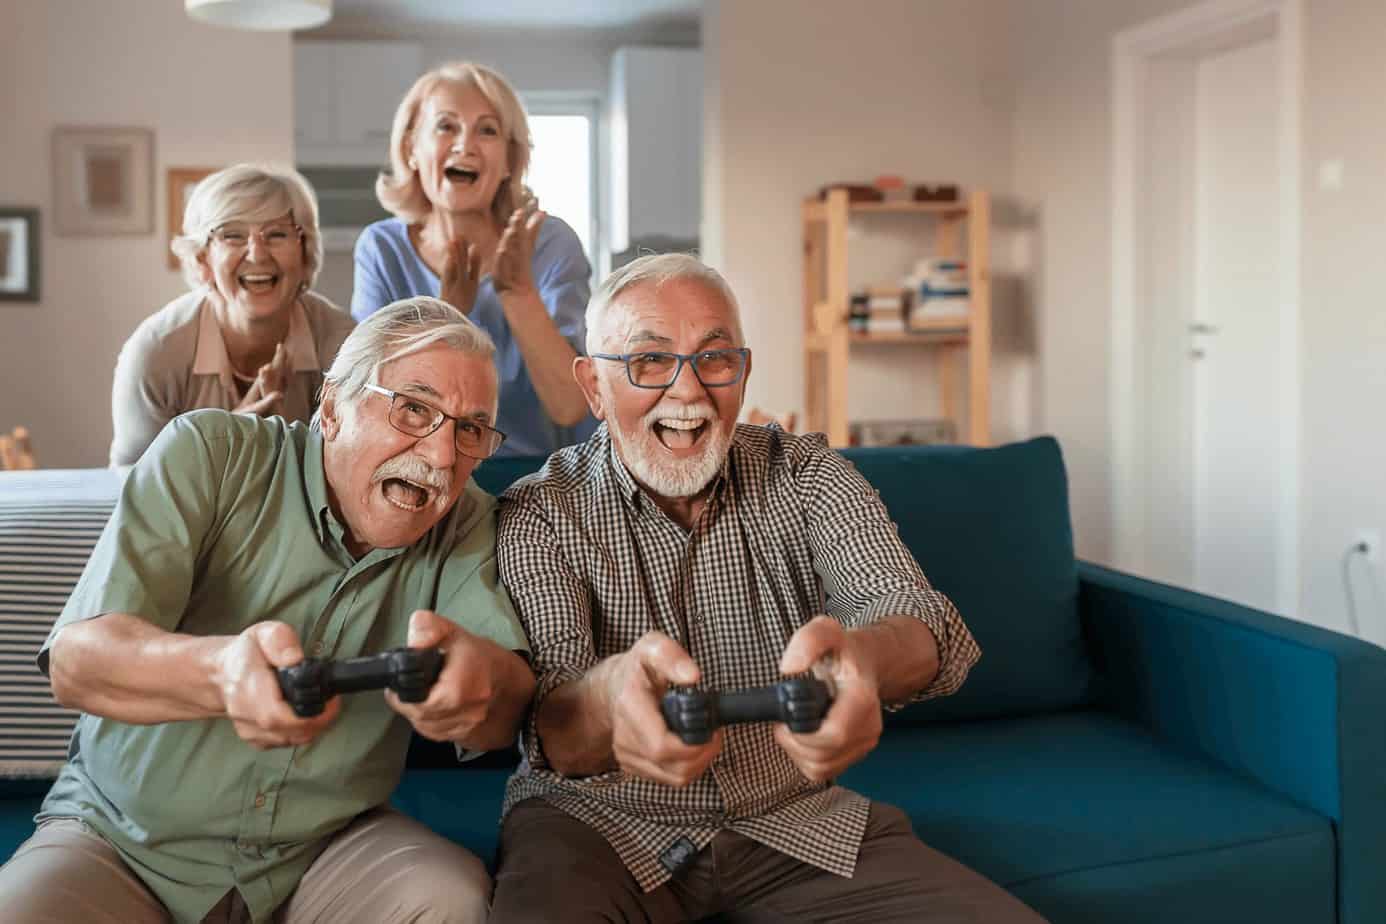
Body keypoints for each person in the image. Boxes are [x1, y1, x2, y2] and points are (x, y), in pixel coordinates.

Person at [489, 254, 1048, 922]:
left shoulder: (807, 473)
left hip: (795, 821)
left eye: (714, 358)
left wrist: (864, 662)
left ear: (743, 370)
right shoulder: (539, 511)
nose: (689, 392)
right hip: (596, 827)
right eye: (648, 362)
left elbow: (916, 615)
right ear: (594, 387)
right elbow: (550, 716)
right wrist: (610, 703)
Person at [0, 297, 535, 924]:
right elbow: (78, 664)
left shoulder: (468, 518)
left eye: (470, 429)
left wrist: (482, 688)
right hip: (119, 839)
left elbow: (507, 708)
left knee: (451, 902)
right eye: (414, 409)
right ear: (333, 408)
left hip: (324, 847)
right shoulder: (210, 451)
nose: (443, 456)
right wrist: (221, 671)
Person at [352, 60, 595, 457]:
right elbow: (369, 403)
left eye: (487, 130)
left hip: (535, 478)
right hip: (423, 466)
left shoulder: (550, 243)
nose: (465, 145)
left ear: (508, 162)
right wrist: (445, 316)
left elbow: (569, 407)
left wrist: (518, 293)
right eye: (446, 126)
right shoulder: (382, 249)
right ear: (412, 148)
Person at [109, 164, 355, 468]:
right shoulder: (156, 352)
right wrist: (222, 442)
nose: (257, 254)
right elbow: (131, 484)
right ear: (203, 259)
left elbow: (357, 475)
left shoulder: (346, 346)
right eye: (233, 235)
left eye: (277, 234)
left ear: (305, 254)